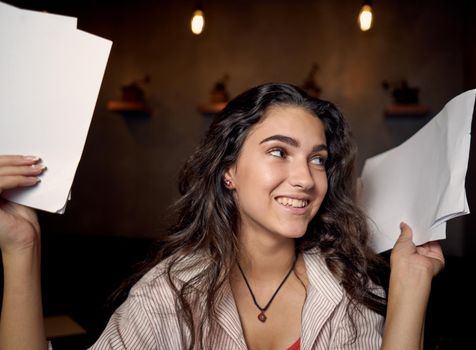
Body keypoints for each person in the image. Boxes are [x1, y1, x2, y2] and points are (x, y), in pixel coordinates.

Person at [0, 83, 444, 350]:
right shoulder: (168, 293)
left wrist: (411, 281)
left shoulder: (350, 289)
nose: (306, 179)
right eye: (278, 151)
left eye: (317, 159)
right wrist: (22, 244)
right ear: (229, 170)